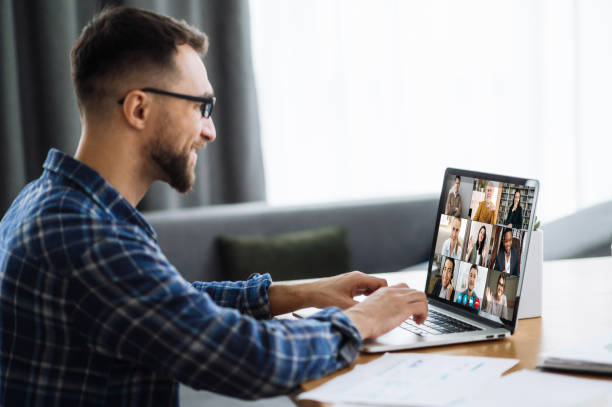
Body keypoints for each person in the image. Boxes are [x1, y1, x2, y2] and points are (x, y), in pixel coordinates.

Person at [0, 7, 429, 406]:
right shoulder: (88, 237)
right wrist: (364, 320)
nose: (210, 131)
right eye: (201, 107)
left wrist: (298, 292)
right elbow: (251, 359)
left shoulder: (48, 200)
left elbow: (167, 302)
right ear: (138, 108)